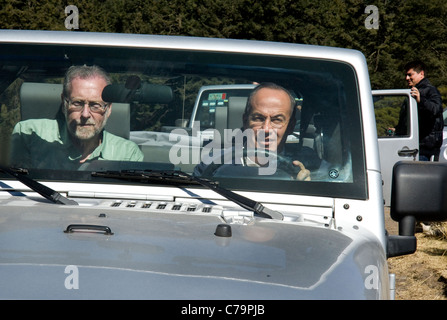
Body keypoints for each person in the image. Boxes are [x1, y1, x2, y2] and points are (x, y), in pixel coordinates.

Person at [10, 65, 144, 170]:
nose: (85, 114)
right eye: (77, 103)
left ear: (108, 109)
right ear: (64, 103)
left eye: (95, 105)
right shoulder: (29, 135)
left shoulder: (127, 154)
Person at [194, 82, 311, 180]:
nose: (266, 129)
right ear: (245, 122)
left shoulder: (310, 163)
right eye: (259, 119)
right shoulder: (213, 164)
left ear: (290, 126)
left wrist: (308, 186)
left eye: (276, 120)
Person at [404, 60, 443, 161]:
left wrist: (421, 100)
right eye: (406, 75)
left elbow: (436, 109)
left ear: (421, 73)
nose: (407, 78)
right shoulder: (412, 92)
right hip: (413, 146)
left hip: (425, 150)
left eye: (410, 74)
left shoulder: (431, 90)